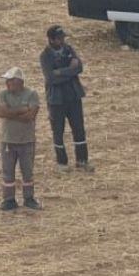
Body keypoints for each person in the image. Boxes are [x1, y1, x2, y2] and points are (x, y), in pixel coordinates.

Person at [39, 25, 92, 172]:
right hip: (56, 100)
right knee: (58, 131)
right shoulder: (45, 56)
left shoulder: (68, 49)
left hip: (73, 96)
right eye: (59, 38)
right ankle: (62, 163)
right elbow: (51, 78)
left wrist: (60, 72)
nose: (62, 41)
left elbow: (79, 67)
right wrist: (70, 72)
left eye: (63, 38)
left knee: (79, 129)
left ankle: (82, 160)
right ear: (51, 40)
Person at [0, 66, 41, 211]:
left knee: (28, 171)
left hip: (26, 140)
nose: (7, 83)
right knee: (8, 172)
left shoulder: (32, 94)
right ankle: (9, 200)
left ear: (19, 82)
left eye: (10, 80)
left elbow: (31, 116)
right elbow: (1, 113)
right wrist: (22, 110)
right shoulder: (2, 94)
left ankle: (29, 198)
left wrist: (9, 113)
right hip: (8, 140)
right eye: (7, 81)